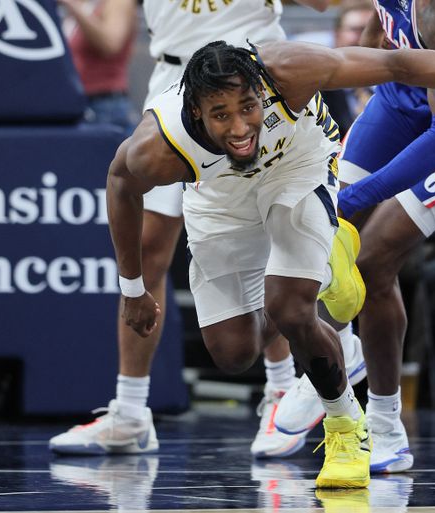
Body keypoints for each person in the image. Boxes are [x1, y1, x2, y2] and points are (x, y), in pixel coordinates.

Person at [107, 40, 435, 487]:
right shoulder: (157, 144)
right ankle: (324, 268)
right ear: (196, 112)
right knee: (234, 354)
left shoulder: (290, 69)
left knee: (291, 308)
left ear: (261, 90)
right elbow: (119, 185)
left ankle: (346, 428)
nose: (240, 128)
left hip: (298, 167)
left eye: (248, 107)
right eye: (221, 115)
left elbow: (396, 63)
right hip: (219, 200)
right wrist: (133, 289)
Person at [49, 0, 331, 458]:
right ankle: (131, 412)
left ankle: (280, 390)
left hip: (252, 88)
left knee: (269, 235)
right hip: (175, 83)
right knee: (147, 247)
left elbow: (322, 6)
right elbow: (113, 29)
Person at [275, 0, 435, 474]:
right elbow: (387, 25)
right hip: (406, 91)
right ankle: (342, 349)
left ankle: (387, 425)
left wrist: (351, 205)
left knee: (371, 261)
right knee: (316, 229)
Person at [59, 0, 141, 132]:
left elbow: (110, 45)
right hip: (77, 103)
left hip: (104, 105)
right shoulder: (83, 6)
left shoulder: (118, 3)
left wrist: (72, 6)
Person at [320, 0, 377, 136]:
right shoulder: (318, 91)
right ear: (337, 35)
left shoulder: (398, 86)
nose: (365, 38)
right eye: (356, 30)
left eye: (371, 31)